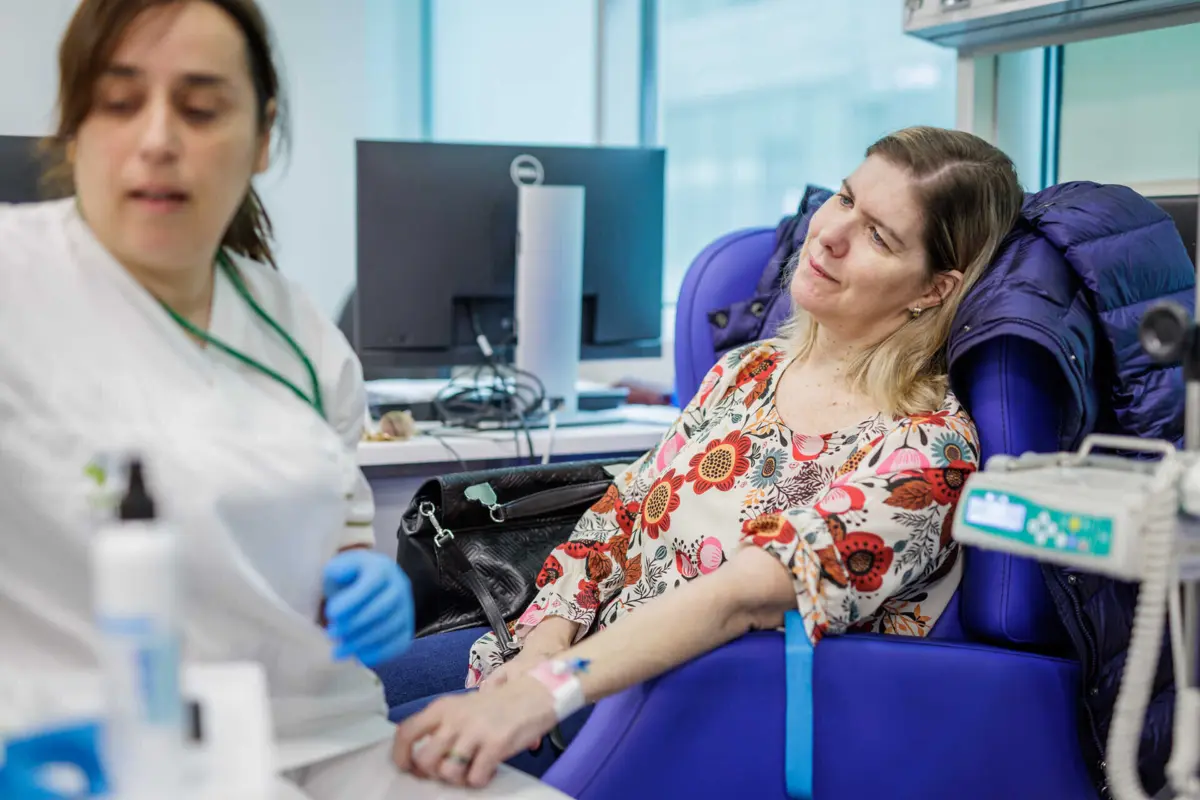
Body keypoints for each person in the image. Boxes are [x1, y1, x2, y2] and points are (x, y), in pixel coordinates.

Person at [391, 126, 1026, 789]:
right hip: (577, 662)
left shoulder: (925, 452)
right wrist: (545, 642)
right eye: (843, 200)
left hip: (675, 706)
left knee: (387, 757)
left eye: (879, 236)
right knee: (342, 700)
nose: (831, 235)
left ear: (932, 289)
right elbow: (620, 518)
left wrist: (545, 688)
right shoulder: (748, 371)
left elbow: (742, 599)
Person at [0, 1, 444, 798]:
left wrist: (360, 580)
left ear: (262, 135)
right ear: (74, 126)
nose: (160, 139)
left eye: (201, 108)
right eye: (120, 102)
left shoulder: (297, 328)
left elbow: (338, 531)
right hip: (90, 755)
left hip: (333, 738)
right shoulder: (15, 284)